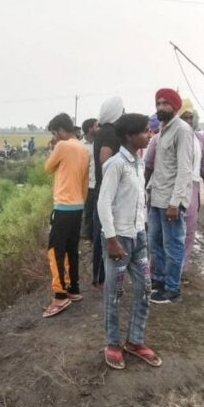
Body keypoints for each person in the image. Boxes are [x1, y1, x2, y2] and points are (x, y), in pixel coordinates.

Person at [98, 113, 161, 371]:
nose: (149, 134)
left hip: (138, 236)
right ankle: (113, 344)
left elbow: (137, 201)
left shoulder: (137, 163)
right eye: (145, 131)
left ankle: (135, 341)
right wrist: (112, 240)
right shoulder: (116, 165)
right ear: (129, 136)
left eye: (149, 130)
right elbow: (104, 203)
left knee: (145, 287)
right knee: (115, 294)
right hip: (118, 238)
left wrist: (143, 226)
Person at [146, 88, 194, 304]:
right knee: (154, 241)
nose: (161, 107)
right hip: (157, 197)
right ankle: (159, 280)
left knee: (173, 244)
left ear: (175, 107)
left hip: (171, 201)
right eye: (158, 103)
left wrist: (175, 202)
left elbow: (184, 170)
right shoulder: (162, 131)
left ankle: (172, 288)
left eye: (166, 103)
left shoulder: (182, 130)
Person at [42, 113, 89, 318]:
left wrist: (53, 146)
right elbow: (85, 183)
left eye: (55, 133)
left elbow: (48, 168)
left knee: (55, 250)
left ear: (61, 130)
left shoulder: (62, 146)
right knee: (71, 248)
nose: (55, 137)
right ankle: (74, 288)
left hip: (63, 207)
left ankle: (60, 295)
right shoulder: (83, 148)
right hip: (78, 206)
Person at [178, 100, 204, 272]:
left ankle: (180, 271)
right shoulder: (163, 137)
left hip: (192, 188)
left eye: (190, 117)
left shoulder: (200, 138)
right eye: (184, 117)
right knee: (169, 234)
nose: (188, 121)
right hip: (169, 190)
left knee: (188, 232)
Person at [91, 97, 124, 288]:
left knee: (100, 234)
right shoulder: (110, 133)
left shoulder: (103, 131)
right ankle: (103, 278)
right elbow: (105, 158)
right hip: (107, 192)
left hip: (100, 190)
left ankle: (100, 277)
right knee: (105, 234)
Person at [80, 118, 98, 241]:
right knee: (88, 210)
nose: (99, 128)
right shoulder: (80, 146)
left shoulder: (99, 142)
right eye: (96, 126)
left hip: (98, 182)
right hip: (87, 184)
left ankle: (94, 233)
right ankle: (87, 234)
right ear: (89, 129)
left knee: (97, 210)